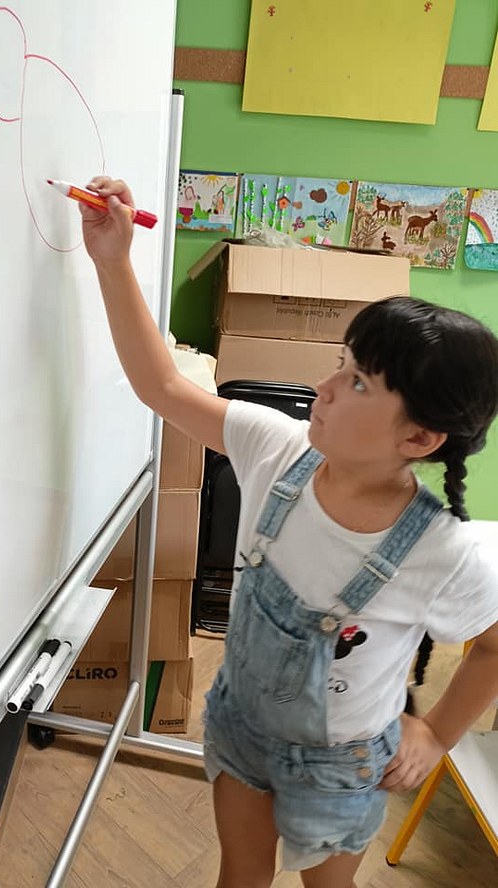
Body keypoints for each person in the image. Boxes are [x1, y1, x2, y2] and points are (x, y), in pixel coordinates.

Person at [78, 177, 498, 888]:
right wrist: (113, 261)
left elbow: (491, 646)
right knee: (239, 874)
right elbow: (162, 387)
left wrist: (434, 732)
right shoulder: (276, 449)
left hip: (343, 766)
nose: (325, 389)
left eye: (359, 383)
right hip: (242, 726)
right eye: (340, 365)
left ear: (420, 438)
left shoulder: (441, 551)